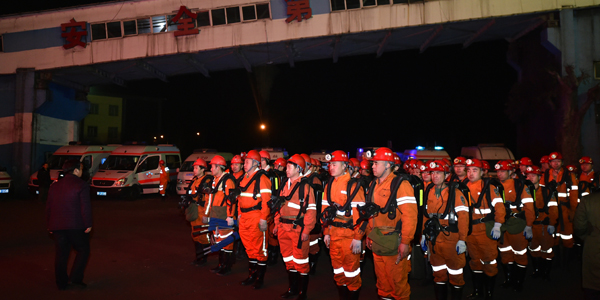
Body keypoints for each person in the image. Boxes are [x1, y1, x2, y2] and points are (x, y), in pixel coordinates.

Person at [364, 147, 417, 300]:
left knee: (398, 284)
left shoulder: (400, 185)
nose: (372, 166)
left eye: (376, 163)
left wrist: (405, 242)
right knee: (382, 284)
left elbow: (410, 216)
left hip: (394, 242)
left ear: (388, 165)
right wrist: (369, 234)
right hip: (378, 241)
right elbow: (370, 213)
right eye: (372, 163)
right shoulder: (373, 184)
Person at [420, 160, 469, 300]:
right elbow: (425, 216)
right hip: (434, 241)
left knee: (456, 274)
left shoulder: (456, 193)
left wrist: (462, 240)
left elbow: (464, 218)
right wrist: (423, 235)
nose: (434, 176)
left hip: (452, 240)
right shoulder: (428, 192)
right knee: (438, 273)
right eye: (432, 172)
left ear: (447, 175)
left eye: (438, 173)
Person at [321, 150, 365, 300]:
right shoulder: (329, 184)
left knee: (351, 273)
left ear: (345, 165)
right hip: (334, 235)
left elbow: (360, 216)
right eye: (330, 164)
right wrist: (326, 232)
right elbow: (325, 212)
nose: (331, 167)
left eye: (334, 164)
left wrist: (358, 237)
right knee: (338, 272)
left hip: (349, 237)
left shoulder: (353, 185)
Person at [46, 159, 92, 290]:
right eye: (81, 169)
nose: (82, 172)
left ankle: (61, 282)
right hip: (76, 225)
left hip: (57, 226)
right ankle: (76, 278)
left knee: (61, 254)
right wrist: (88, 223)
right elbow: (85, 207)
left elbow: (48, 207)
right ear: (76, 170)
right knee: (83, 250)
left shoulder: (54, 186)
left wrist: (49, 224)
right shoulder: (81, 185)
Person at [275, 154, 316, 300]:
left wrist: (306, 230)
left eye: (289, 167)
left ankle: (302, 293)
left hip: (297, 230)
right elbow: (278, 206)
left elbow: (311, 211)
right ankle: (292, 289)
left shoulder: (305, 187)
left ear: (298, 168)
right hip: (283, 228)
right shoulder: (284, 184)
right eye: (286, 166)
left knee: (301, 262)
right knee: (288, 260)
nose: (286, 169)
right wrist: (276, 224)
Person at [465, 158, 505, 300]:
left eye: (474, 170)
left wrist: (498, 225)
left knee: (489, 262)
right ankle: (477, 292)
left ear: (482, 172)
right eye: (468, 170)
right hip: (470, 231)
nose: (471, 173)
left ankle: (489, 294)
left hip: (485, 231)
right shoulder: (463, 187)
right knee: (475, 262)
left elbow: (500, 207)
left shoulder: (489, 187)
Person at [495, 160, 535, 292]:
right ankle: (509, 279)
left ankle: (519, 282)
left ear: (511, 172)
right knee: (505, 253)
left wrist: (529, 225)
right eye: (498, 172)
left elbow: (529, 207)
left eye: (503, 171)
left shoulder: (520, 186)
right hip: (502, 225)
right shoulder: (494, 186)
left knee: (520, 254)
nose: (500, 174)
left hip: (517, 225)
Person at [238, 150, 272, 289]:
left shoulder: (262, 178)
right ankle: (252, 275)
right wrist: (239, 213)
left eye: (247, 161)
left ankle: (259, 278)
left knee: (260, 249)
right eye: (244, 161)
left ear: (255, 163)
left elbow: (266, 201)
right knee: (249, 247)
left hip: (256, 217)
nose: (244, 164)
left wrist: (264, 219)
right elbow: (240, 197)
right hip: (245, 217)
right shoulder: (245, 177)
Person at [539, 152, 579, 267]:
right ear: (550, 163)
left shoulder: (569, 175)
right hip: (551, 210)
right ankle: (555, 261)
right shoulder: (545, 175)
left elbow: (574, 195)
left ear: (562, 162)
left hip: (565, 210)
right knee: (553, 237)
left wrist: (573, 211)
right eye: (553, 162)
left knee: (567, 236)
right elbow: (541, 194)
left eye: (558, 161)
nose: (555, 164)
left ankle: (567, 262)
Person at [206, 155, 238, 276]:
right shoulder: (215, 180)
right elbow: (211, 199)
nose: (211, 169)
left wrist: (230, 216)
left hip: (224, 216)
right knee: (219, 240)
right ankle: (221, 265)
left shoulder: (227, 181)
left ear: (219, 167)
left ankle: (226, 266)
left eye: (213, 167)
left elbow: (231, 200)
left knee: (227, 241)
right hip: (216, 215)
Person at [526, 165, 557, 281]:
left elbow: (553, 208)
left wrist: (552, 224)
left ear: (539, 177)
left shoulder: (547, 191)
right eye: (528, 175)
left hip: (544, 226)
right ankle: (537, 270)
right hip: (531, 227)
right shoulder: (524, 192)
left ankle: (546, 272)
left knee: (547, 250)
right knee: (533, 249)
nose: (530, 178)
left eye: (533, 175)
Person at [574, 191, 600, 300]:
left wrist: (587, 238)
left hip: (594, 245)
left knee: (593, 284)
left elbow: (579, 226)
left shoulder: (588, 200)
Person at [188, 158, 212, 266]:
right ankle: (198, 257)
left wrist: (206, 214)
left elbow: (208, 199)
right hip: (194, 211)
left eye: (196, 167)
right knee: (195, 235)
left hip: (202, 212)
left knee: (203, 236)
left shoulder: (206, 181)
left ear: (202, 169)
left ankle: (204, 258)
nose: (194, 170)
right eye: (194, 167)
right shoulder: (194, 180)